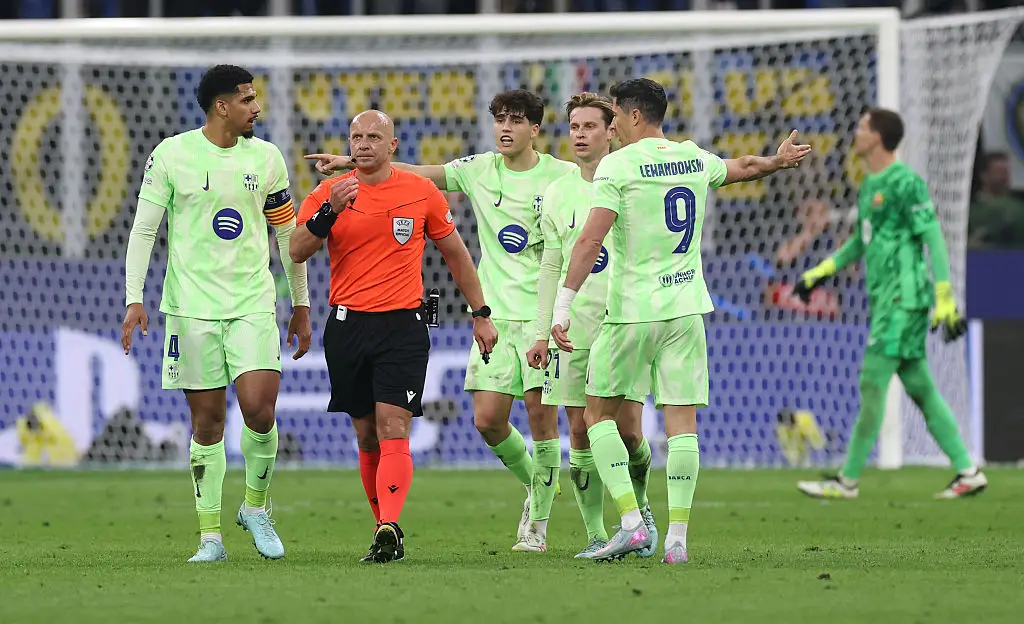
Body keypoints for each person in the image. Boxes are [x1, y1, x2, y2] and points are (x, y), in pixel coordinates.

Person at [551, 78, 810, 563]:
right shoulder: (692, 157)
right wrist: (777, 161)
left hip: (631, 312)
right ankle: (677, 541)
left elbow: (589, 241)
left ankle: (630, 523)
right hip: (687, 309)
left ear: (630, 116)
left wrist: (563, 304)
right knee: (682, 426)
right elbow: (744, 166)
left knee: (595, 415)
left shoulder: (618, 165)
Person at [306, 90, 577, 548]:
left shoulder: (563, 175)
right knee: (488, 420)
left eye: (516, 120)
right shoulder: (478, 170)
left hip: (542, 314)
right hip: (496, 312)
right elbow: (412, 173)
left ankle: (538, 525)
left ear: (535, 128)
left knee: (540, 417)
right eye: (499, 120)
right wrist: (355, 162)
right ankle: (537, 483)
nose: (505, 128)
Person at [121, 64, 312, 563]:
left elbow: (287, 235)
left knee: (259, 409)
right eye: (247, 99)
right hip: (191, 309)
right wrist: (133, 297)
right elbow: (144, 231)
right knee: (207, 425)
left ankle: (255, 507)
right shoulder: (172, 154)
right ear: (221, 106)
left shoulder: (267, 158)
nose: (257, 107)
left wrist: (302, 303)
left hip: (252, 301)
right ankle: (210, 538)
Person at [291, 110, 498, 564]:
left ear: (393, 145)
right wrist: (330, 212)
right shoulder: (329, 193)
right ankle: (382, 526)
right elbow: (296, 249)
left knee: (393, 427)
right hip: (347, 327)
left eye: (373, 136)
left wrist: (480, 313)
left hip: (404, 326)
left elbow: (457, 256)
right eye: (356, 137)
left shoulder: (421, 192)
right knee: (366, 435)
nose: (363, 144)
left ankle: (388, 525)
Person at [793, 108, 987, 500]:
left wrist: (946, 295)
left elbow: (933, 234)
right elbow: (863, 242)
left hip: (904, 299)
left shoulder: (905, 182)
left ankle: (847, 480)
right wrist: (820, 271)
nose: (856, 131)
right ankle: (968, 471)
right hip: (888, 301)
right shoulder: (869, 184)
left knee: (872, 382)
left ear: (878, 137)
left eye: (863, 127)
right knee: (920, 385)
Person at [525, 92, 654, 558]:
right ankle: (600, 534)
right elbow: (550, 267)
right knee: (579, 431)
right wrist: (542, 332)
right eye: (574, 127)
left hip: (623, 319)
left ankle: (640, 511)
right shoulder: (558, 193)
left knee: (630, 433)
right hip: (573, 327)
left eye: (590, 127)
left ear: (611, 130)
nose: (580, 135)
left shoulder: (632, 179)